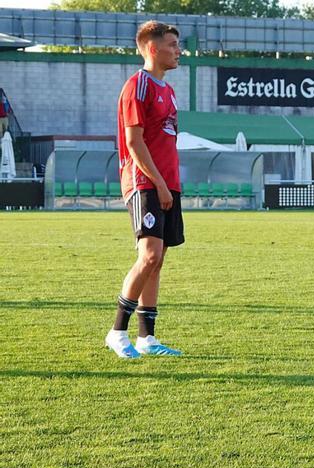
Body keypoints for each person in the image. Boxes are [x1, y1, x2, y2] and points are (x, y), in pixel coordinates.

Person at [105, 21, 183, 359]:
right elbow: (134, 143)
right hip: (144, 182)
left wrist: (171, 183)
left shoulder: (168, 90)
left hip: (166, 183)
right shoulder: (137, 86)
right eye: (172, 44)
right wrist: (160, 184)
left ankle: (146, 338)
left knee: (157, 260)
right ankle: (117, 331)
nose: (179, 50)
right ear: (152, 48)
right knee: (148, 255)